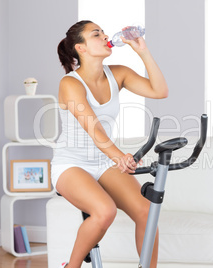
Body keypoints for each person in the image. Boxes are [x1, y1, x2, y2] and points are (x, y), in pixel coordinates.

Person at [52, 20, 168, 268]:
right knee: (105, 211)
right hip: (71, 164)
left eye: (104, 32)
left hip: (104, 162)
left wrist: (142, 51)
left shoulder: (118, 73)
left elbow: (160, 91)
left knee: (147, 213)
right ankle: (71, 267)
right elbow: (94, 129)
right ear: (80, 48)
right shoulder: (70, 84)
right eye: (96, 34)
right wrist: (118, 156)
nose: (105, 36)